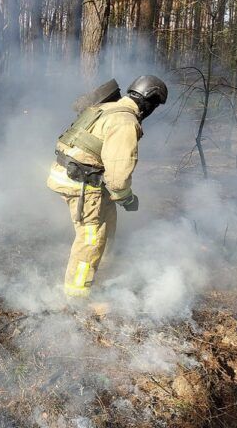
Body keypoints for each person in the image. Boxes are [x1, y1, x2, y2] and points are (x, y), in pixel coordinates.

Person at [47, 75, 168, 298]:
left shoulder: (108, 107)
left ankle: (103, 274)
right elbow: (118, 174)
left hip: (67, 173)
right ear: (148, 101)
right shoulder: (125, 122)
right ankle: (76, 296)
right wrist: (126, 197)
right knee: (90, 238)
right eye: (155, 105)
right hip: (82, 183)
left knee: (107, 220)